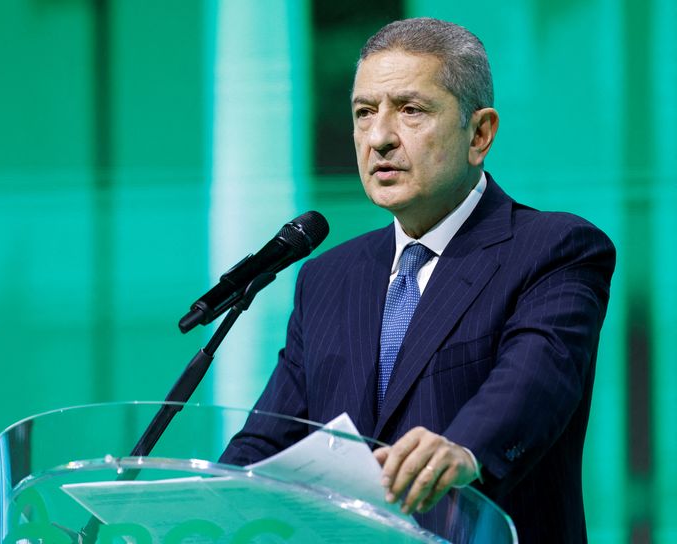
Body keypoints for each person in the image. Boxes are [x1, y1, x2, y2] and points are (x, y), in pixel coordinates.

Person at [221, 17, 615, 543]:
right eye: (364, 113)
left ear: (480, 133)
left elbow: (533, 382)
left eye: (410, 110)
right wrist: (195, 498)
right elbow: (268, 442)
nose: (380, 138)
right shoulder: (328, 278)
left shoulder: (553, 249)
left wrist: (462, 447)